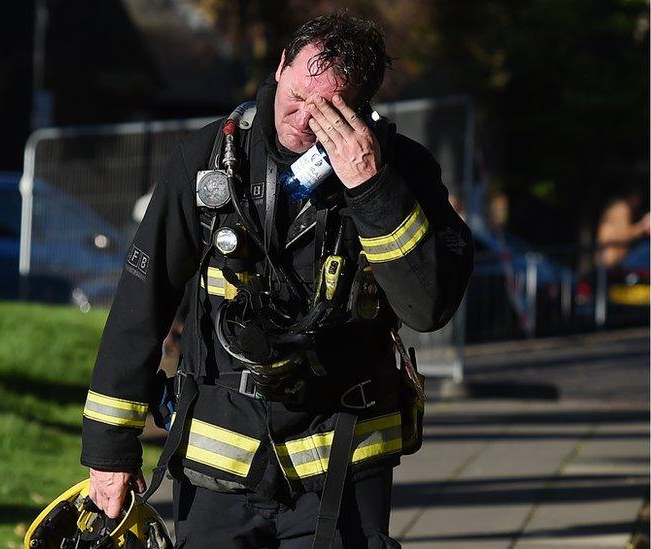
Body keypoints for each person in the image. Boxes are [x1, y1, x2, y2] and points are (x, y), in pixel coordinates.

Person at [80, 12, 472, 548]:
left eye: (326, 108)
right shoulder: (210, 159)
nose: (302, 118)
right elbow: (140, 303)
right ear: (282, 65)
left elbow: (428, 309)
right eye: (295, 94)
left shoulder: (400, 171)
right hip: (221, 463)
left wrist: (372, 191)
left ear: (358, 108)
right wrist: (109, 453)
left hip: (343, 460)